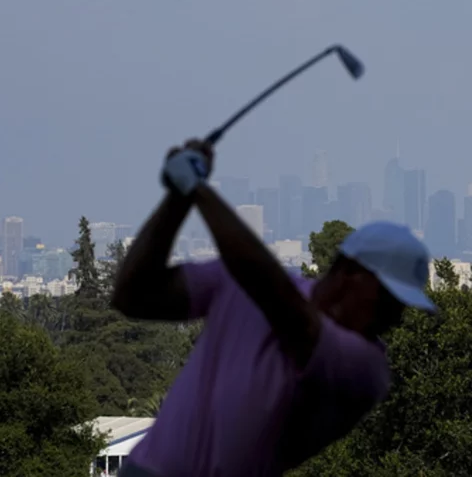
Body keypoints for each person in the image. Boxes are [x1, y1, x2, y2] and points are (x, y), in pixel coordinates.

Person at [113, 139, 436, 476]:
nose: (396, 317)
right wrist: (176, 200)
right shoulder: (243, 278)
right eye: (390, 299)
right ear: (352, 273)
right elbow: (133, 295)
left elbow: (286, 309)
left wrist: (195, 186)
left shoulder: (365, 368)